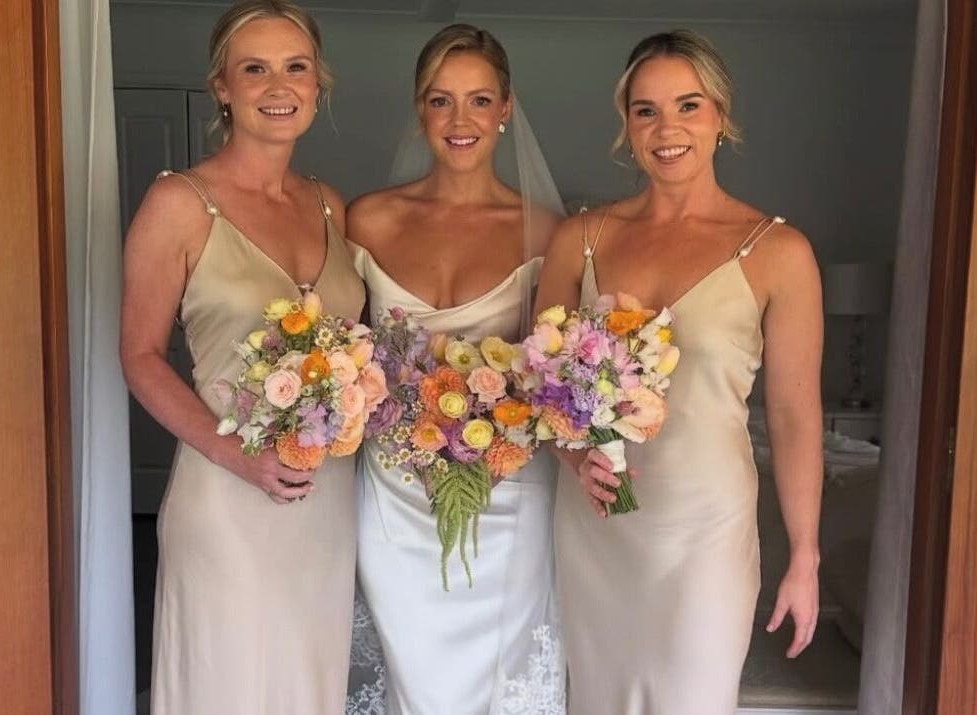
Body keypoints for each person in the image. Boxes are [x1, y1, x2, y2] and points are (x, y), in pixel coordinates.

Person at [535, 29, 824, 715]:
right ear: (626, 126)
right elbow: (539, 385)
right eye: (646, 110)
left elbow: (793, 414)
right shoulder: (581, 237)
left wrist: (806, 555)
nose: (667, 128)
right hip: (599, 521)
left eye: (688, 106)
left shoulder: (778, 251)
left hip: (706, 528)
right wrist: (576, 457)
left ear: (720, 116)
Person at [119, 2, 364, 712]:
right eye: (254, 68)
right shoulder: (180, 202)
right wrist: (239, 456)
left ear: (319, 84)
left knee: (307, 683)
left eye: (296, 67)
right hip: (227, 493)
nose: (277, 85)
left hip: (325, 498)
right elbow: (138, 354)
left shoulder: (328, 206)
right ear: (222, 86)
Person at [343, 23, 566, 715]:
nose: (460, 120)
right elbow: (345, 355)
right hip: (392, 492)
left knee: (503, 667)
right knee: (410, 668)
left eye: (478, 100)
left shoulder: (547, 231)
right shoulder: (369, 219)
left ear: (505, 108)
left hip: (507, 488)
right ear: (419, 109)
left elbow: (551, 371)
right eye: (441, 101)